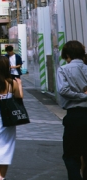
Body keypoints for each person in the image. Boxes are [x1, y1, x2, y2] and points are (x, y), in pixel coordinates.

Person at [56, 40, 87, 180]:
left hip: (75, 116)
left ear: (67, 55)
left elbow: (63, 90)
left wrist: (81, 96)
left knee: (71, 155)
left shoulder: (63, 69)